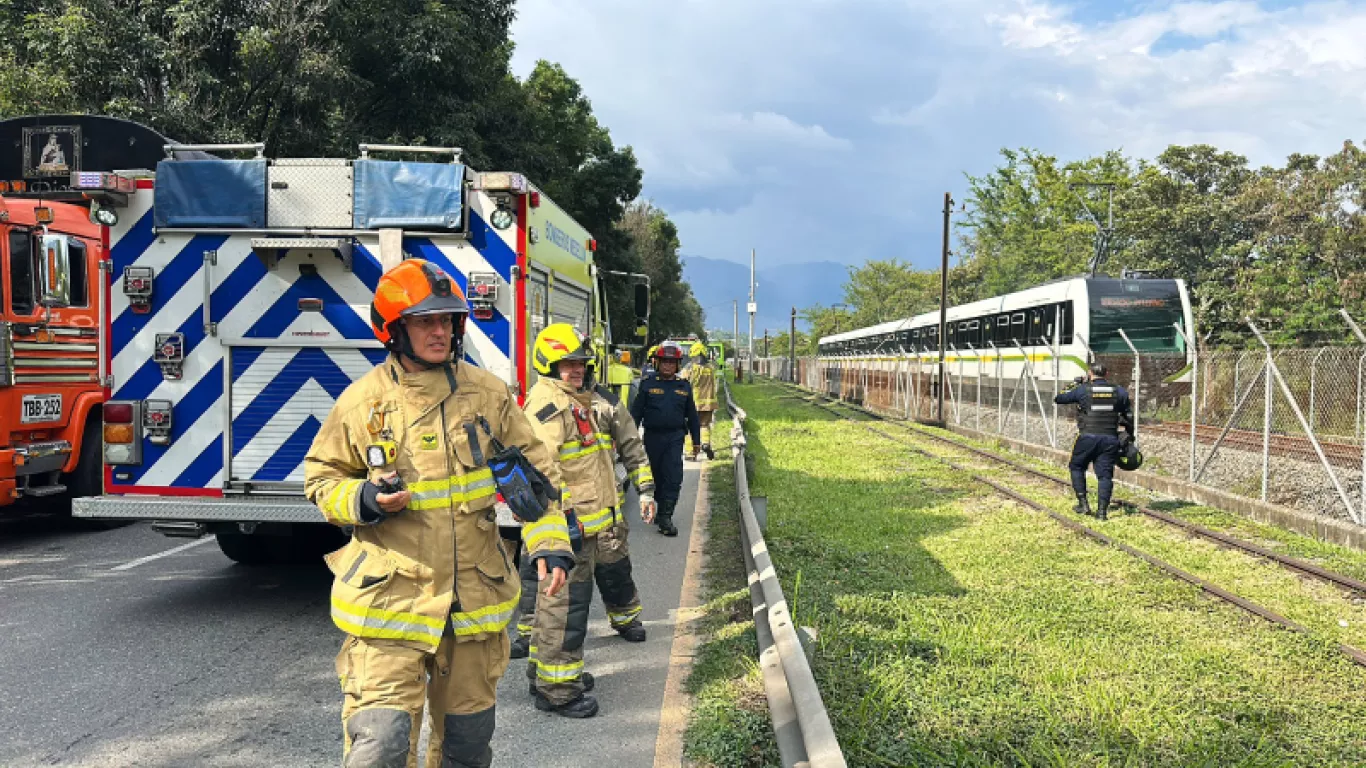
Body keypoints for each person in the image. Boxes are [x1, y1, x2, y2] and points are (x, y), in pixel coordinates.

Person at [304, 259, 572, 768]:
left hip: (473, 607)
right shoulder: (363, 403)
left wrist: (551, 543)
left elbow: (538, 482)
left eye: (447, 320)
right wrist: (362, 500)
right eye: (425, 320)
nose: (440, 331)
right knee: (379, 748)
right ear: (393, 329)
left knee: (466, 751)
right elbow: (320, 481)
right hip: (390, 606)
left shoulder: (489, 396)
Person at [518, 323, 621, 718]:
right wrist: (563, 525)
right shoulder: (551, 407)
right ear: (548, 364)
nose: (576, 370)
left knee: (562, 608)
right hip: (567, 528)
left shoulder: (572, 399)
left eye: (580, 363)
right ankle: (557, 689)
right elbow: (545, 472)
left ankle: (547, 672)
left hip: (581, 524)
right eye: (567, 364)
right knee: (565, 610)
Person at [630, 341, 700, 537]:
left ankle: (666, 517)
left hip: (675, 438)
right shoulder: (647, 384)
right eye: (664, 362)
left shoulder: (684, 386)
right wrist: (629, 438)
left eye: (672, 362)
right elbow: (635, 413)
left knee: (673, 476)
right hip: (652, 438)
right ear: (657, 363)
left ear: (677, 364)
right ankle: (659, 507)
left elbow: (692, 416)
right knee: (655, 477)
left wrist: (696, 441)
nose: (668, 365)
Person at [1054, 363, 1133, 521]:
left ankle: (1083, 504)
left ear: (1090, 373)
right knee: (1105, 476)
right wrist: (1129, 437)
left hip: (1087, 437)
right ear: (1107, 373)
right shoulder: (1119, 391)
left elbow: (1059, 397)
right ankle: (1102, 513)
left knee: (1076, 466)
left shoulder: (1083, 389)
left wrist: (1075, 383)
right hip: (1110, 438)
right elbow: (1128, 417)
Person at [681, 342, 717, 460]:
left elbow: (681, 383)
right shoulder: (710, 368)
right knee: (705, 425)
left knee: (689, 428)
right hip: (708, 403)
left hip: (693, 404)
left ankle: (691, 453)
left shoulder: (690, 368)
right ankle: (706, 443)